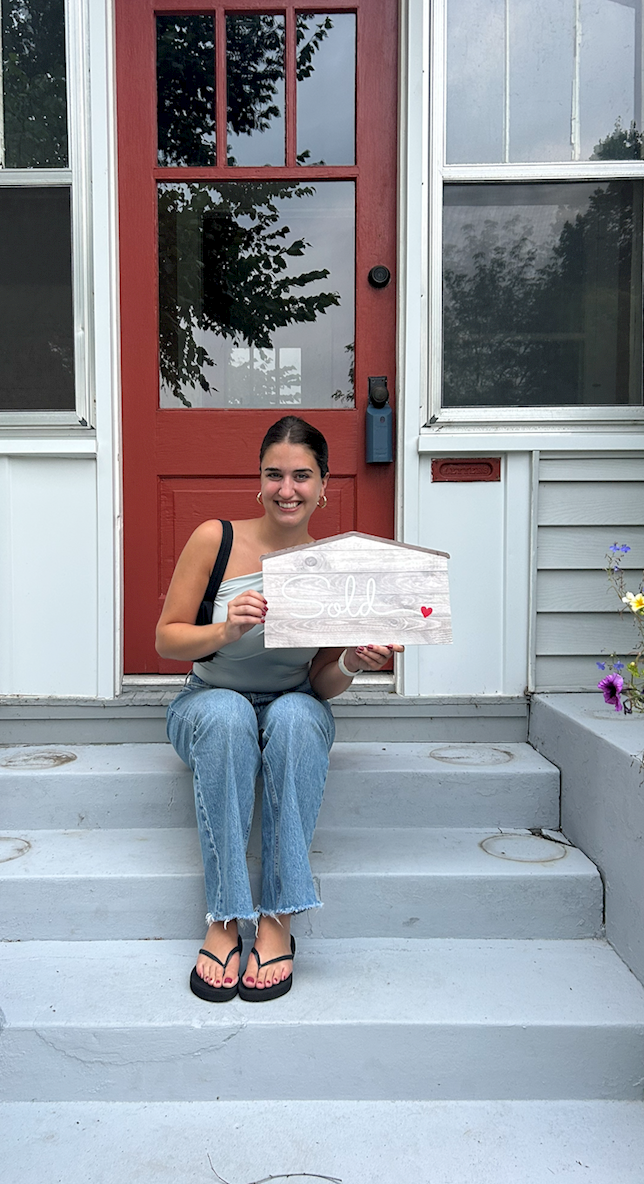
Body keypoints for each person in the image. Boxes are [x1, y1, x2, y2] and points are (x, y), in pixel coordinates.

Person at [156, 416, 402, 1002]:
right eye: (274, 475)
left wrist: (350, 663)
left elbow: (318, 683)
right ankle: (223, 918)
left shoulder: (333, 567)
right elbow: (165, 640)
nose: (286, 489)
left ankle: (277, 918)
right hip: (207, 701)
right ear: (258, 482)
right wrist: (224, 626)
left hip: (293, 701)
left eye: (301, 476)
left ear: (322, 487)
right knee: (227, 715)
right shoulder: (213, 539)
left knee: (293, 717)